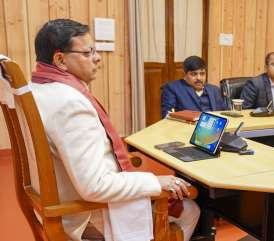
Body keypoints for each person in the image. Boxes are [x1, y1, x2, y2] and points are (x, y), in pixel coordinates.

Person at [30, 19, 199, 241]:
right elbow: (95, 187)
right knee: (191, 209)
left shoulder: (37, 89)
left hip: (54, 204)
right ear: (60, 59)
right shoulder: (70, 103)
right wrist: (156, 182)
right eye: (89, 52)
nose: (98, 58)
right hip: (80, 212)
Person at [161, 56, 227, 118]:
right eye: (194, 74)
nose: (199, 78)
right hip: (187, 128)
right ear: (185, 74)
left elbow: (225, 113)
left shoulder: (214, 90)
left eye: (202, 74)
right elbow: (167, 116)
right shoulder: (172, 88)